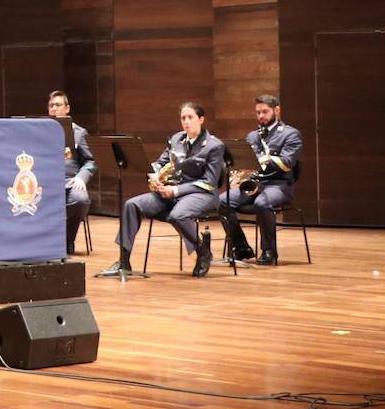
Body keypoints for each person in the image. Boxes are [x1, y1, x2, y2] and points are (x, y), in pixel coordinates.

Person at [100, 102, 223, 279]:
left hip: (200, 193)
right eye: (183, 118)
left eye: (190, 117)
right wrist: (154, 175)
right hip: (170, 191)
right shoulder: (176, 139)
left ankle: (202, 251)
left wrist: (176, 191)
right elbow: (161, 162)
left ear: (201, 119)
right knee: (131, 205)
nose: (186, 122)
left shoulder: (213, 145)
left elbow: (209, 182)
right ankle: (124, 261)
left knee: (177, 215)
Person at [219, 94, 303, 266]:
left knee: (262, 203)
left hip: (279, 185)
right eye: (258, 113)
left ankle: (269, 250)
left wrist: (263, 159)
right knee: (222, 201)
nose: (261, 116)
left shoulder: (290, 134)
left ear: (277, 110)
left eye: (265, 112)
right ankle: (241, 247)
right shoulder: (253, 136)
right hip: (256, 184)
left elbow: (287, 163)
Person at [47, 90, 96, 256]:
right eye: (51, 105)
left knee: (81, 199)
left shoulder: (79, 133)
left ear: (67, 109)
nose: (54, 108)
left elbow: (91, 161)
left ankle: (67, 239)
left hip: (69, 181)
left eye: (58, 105)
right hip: (45, 182)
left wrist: (82, 177)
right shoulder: (40, 131)